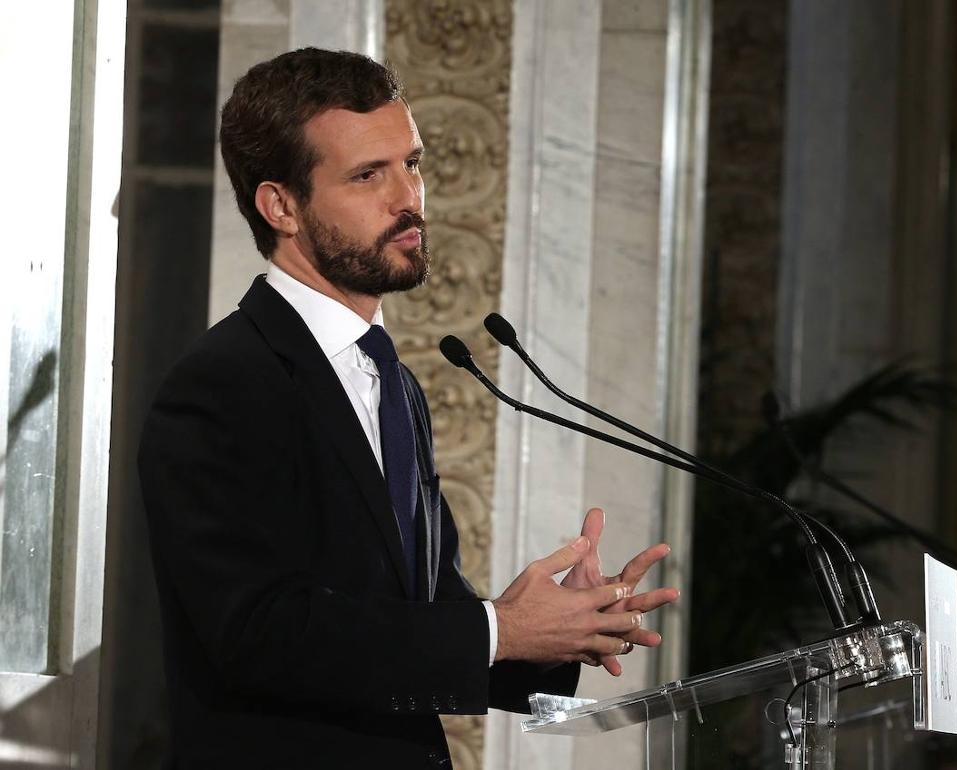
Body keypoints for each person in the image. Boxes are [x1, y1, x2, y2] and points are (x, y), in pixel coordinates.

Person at [137, 47, 678, 768]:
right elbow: (256, 634)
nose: (409, 199)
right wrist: (497, 629)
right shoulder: (221, 386)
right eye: (368, 175)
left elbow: (414, 621)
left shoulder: (388, 379)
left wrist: (558, 629)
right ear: (280, 206)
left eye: (412, 165)